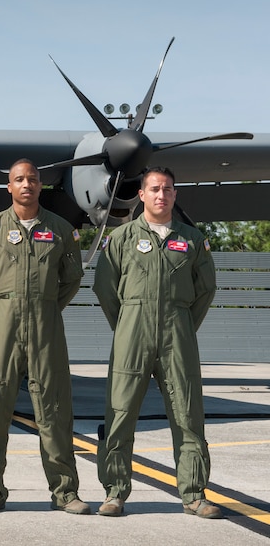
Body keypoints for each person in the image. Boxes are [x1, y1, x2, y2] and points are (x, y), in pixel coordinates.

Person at [93, 166, 221, 518]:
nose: (161, 195)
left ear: (175, 195)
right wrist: (127, 325)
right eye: (154, 189)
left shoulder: (192, 240)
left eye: (167, 189)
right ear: (142, 195)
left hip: (177, 335)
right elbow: (105, 288)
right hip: (131, 333)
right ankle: (115, 492)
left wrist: (181, 324)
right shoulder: (120, 239)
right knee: (120, 414)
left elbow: (205, 289)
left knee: (188, 415)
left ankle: (194, 494)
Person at [0, 158, 90, 515]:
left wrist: (46, 307)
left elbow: (72, 278)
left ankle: (65, 492)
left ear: (39, 185)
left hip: (46, 321)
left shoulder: (61, 229)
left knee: (53, 407)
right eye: (19, 179)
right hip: (4, 320)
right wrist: (1, 311)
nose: (26, 185)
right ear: (9, 187)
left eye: (33, 179)